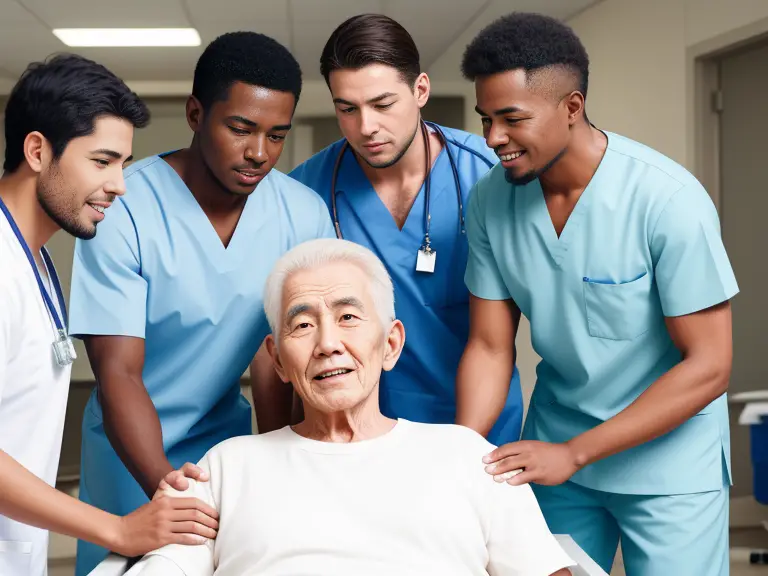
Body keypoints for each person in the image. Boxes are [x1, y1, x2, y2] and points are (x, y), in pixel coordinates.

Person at [456, 12, 738, 576]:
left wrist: (576, 452)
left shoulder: (668, 201)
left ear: (571, 107)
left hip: (668, 468)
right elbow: (491, 347)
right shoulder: (491, 201)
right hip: (557, 455)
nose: (492, 139)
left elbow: (709, 365)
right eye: (486, 119)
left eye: (512, 119)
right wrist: (457, 452)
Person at [119, 238, 575, 576]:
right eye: (302, 324)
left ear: (391, 343)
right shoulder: (224, 468)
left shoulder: (467, 457)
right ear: (276, 359)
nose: (328, 344)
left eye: (348, 317)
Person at [68, 32, 335, 575]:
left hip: (226, 447)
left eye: (276, 135)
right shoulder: (123, 206)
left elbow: (277, 360)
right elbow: (117, 373)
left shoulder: (301, 214)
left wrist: (280, 462)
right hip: (129, 452)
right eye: (240, 128)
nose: (259, 152)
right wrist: (165, 492)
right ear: (195, 113)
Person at [0, 54, 218, 576]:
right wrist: (116, 529)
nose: (120, 184)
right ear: (37, 151)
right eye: (102, 161)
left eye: (123, 163)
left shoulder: (38, 256)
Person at [282, 14, 523, 444]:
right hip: (352, 439)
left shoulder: (487, 176)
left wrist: (457, 454)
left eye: (382, 104)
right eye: (347, 109)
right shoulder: (306, 191)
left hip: (477, 434)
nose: (366, 127)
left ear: (421, 90)